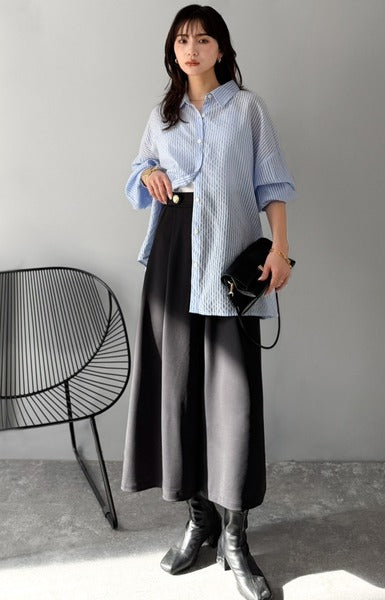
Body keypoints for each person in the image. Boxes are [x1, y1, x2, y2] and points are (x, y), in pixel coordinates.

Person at [120, 5, 295, 600]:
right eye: (181, 40)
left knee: (232, 397)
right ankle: (200, 520)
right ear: (173, 52)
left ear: (221, 48)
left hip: (229, 261)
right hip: (173, 258)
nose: (190, 48)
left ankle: (236, 538)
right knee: (178, 390)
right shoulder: (162, 115)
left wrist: (281, 251)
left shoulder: (248, 110)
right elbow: (140, 173)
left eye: (201, 38)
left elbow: (273, 184)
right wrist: (148, 174)